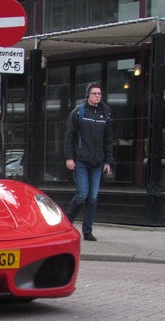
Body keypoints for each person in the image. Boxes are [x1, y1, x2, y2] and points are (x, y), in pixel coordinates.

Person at [64, 82, 113, 241]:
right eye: (94, 93)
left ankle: (87, 231)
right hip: (81, 161)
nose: (97, 96)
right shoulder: (79, 113)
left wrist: (108, 162)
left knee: (93, 197)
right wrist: (69, 158)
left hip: (97, 162)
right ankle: (67, 223)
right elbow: (69, 136)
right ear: (88, 95)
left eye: (99, 94)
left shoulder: (105, 114)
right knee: (82, 195)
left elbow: (108, 140)